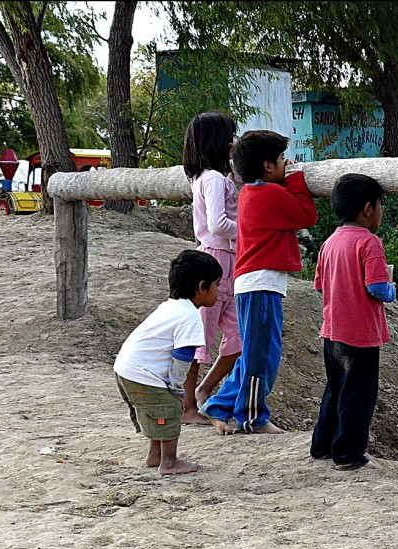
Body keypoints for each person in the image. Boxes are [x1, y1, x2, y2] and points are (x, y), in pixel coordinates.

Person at [198, 130, 317, 435]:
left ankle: (219, 405)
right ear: (267, 166)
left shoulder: (251, 193)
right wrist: (296, 178)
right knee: (262, 355)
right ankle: (252, 417)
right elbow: (307, 215)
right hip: (261, 284)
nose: (285, 163)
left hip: (255, 283)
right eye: (281, 160)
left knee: (255, 352)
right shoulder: (269, 194)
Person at [309, 173, 395, 470]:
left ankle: (322, 445)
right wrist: (393, 288)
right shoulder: (370, 243)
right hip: (361, 335)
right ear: (368, 209)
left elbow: (319, 285)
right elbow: (378, 288)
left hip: (332, 332)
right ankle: (348, 454)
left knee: (335, 389)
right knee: (359, 395)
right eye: (381, 205)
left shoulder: (329, 242)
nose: (381, 211)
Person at [113, 250, 222, 475]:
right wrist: (177, 389)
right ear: (202, 287)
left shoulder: (170, 306)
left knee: (157, 410)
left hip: (127, 371)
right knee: (169, 409)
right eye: (217, 285)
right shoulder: (190, 316)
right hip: (142, 374)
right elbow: (182, 357)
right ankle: (169, 462)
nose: (219, 292)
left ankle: (155, 455)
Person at [181, 111, 242, 425]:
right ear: (218, 142)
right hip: (215, 261)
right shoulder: (214, 180)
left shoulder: (215, 177)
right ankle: (188, 406)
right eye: (230, 137)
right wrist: (248, 228)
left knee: (238, 338)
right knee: (199, 339)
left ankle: (204, 391)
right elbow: (218, 224)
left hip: (227, 263)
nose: (234, 143)